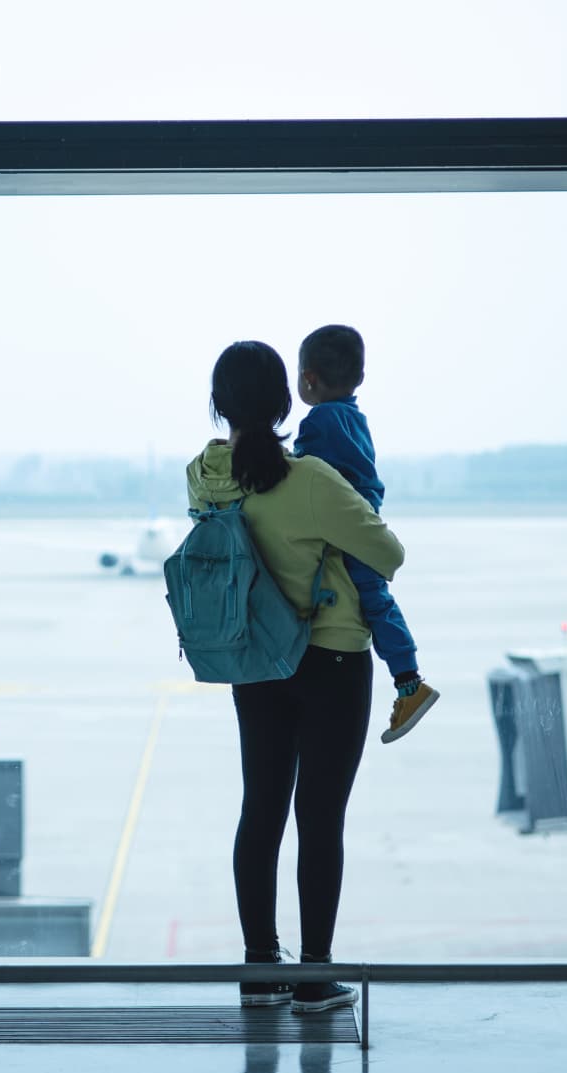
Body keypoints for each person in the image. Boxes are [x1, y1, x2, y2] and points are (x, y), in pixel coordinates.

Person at [187, 340, 405, 1014]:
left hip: (254, 659)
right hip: (331, 658)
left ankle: (260, 967)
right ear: (287, 402)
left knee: (262, 809)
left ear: (220, 405)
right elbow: (388, 554)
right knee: (320, 817)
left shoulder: (201, 474)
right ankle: (315, 975)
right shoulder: (311, 480)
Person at [295, 324, 440, 743]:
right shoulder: (354, 416)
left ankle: (409, 683)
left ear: (309, 379)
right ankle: (408, 679)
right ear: (359, 378)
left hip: (351, 523)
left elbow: (308, 470)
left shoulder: (320, 419)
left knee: (374, 601)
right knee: (377, 599)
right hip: (362, 513)